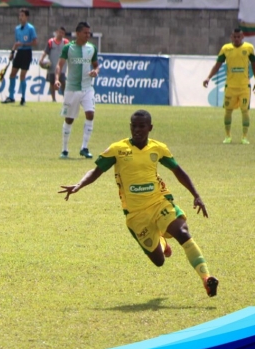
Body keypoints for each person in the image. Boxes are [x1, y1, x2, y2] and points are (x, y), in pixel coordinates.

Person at [59, 110, 218, 298]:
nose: (137, 130)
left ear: (150, 128)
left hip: (159, 202)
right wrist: (79, 184)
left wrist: (196, 195)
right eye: (134, 126)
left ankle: (206, 278)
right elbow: (96, 171)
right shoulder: (118, 149)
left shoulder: (158, 148)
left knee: (182, 233)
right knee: (159, 261)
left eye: (142, 126)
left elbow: (178, 171)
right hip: (135, 214)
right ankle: (161, 241)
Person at [55, 22, 99, 160]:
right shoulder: (68, 48)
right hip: (72, 89)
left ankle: (84, 148)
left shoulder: (92, 48)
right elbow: (59, 65)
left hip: (87, 88)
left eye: (89, 33)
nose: (88, 35)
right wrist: (56, 79)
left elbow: (96, 65)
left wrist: (95, 71)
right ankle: (64, 149)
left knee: (90, 114)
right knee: (69, 119)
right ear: (78, 33)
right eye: (85, 32)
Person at [203, 28, 255, 145]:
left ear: (242, 37)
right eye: (234, 37)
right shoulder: (226, 49)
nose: (236, 39)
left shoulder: (249, 48)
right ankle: (227, 136)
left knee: (245, 111)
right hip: (230, 87)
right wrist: (208, 77)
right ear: (231, 37)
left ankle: (244, 137)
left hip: (244, 87)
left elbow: (254, 65)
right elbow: (217, 65)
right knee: (228, 111)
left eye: (238, 37)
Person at [2, 8, 37, 106]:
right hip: (19, 53)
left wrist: (23, 44)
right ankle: (11, 97)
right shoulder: (17, 29)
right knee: (12, 74)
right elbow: (16, 43)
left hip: (27, 53)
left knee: (22, 76)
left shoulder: (30, 28)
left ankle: (23, 98)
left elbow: (35, 42)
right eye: (19, 15)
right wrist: (12, 52)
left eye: (22, 15)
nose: (20, 17)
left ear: (27, 17)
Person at [38, 27, 69, 103]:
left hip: (62, 67)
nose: (61, 34)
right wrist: (41, 59)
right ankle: (53, 99)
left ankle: (65, 98)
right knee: (52, 83)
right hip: (52, 66)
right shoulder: (51, 42)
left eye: (62, 33)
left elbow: (70, 52)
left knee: (63, 82)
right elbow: (46, 51)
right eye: (60, 32)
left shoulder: (65, 42)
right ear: (57, 32)